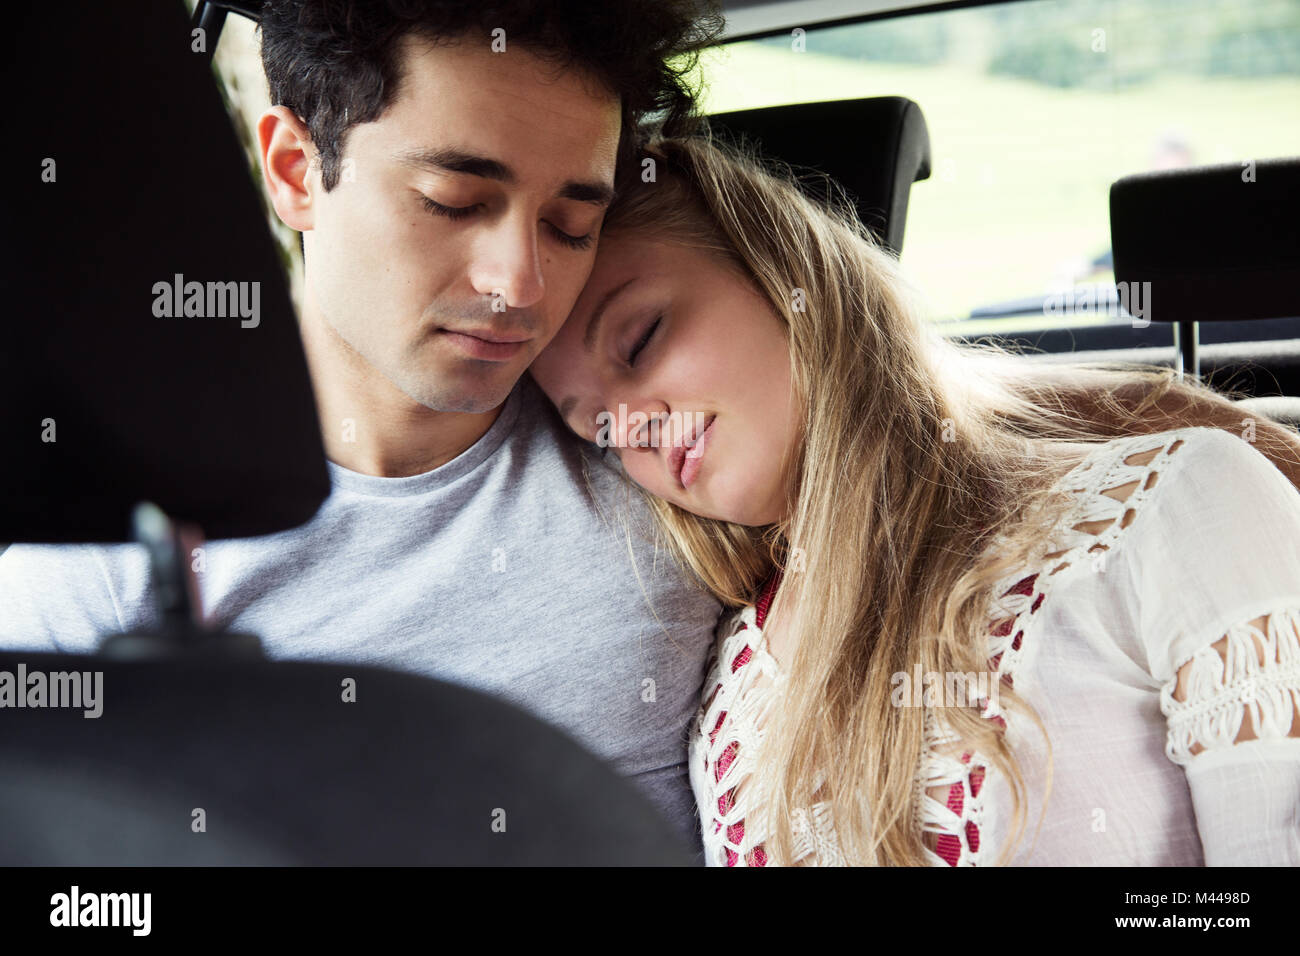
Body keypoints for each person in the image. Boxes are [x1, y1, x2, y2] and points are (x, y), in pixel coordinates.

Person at [0, 1, 726, 854]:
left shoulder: (671, 472)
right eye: (452, 202)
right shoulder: (104, 551)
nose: (518, 284)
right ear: (296, 170)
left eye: (572, 227)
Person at [528, 134, 1300, 866]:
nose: (630, 426)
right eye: (597, 428)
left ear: (775, 266)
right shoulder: (727, 697)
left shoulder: (1181, 505)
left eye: (639, 341)